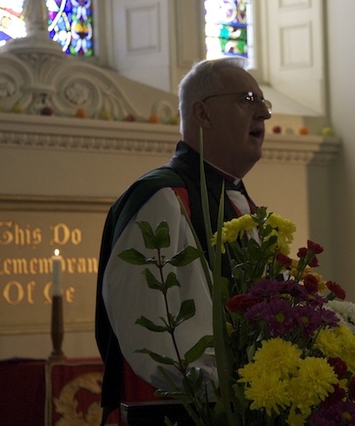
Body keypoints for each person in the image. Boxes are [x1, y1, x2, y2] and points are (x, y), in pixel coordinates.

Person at [95, 57, 272, 423]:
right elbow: (150, 332)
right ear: (203, 114)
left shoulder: (243, 205)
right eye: (248, 100)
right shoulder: (163, 198)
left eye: (263, 103)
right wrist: (227, 392)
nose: (264, 116)